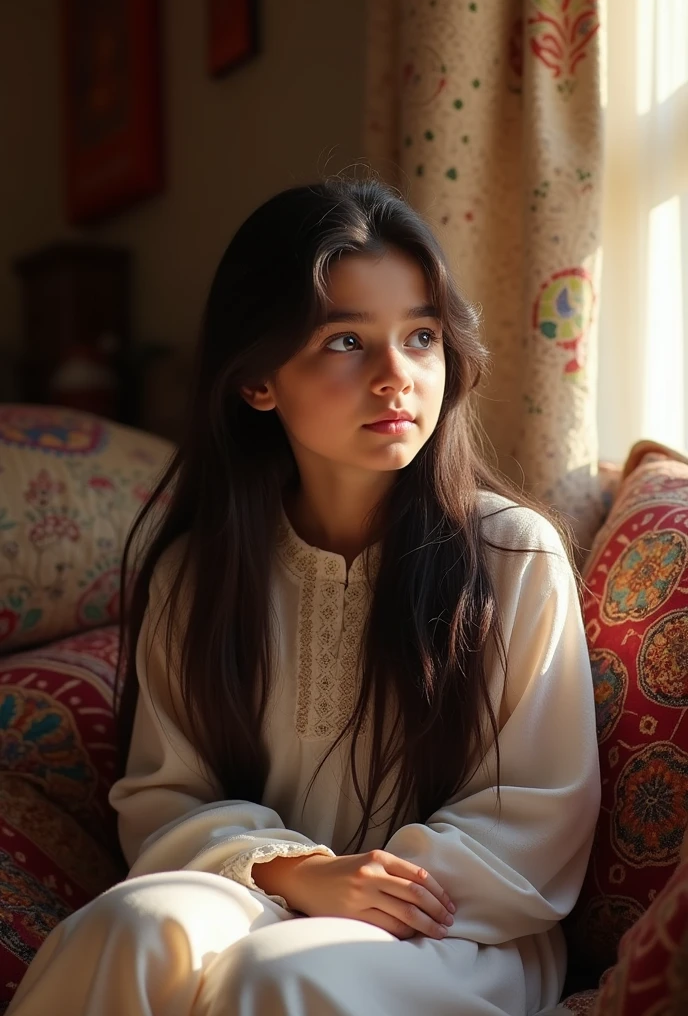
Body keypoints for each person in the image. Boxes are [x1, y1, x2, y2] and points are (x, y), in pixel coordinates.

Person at [7, 178, 600, 1016]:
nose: (398, 376)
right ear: (258, 381)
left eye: (421, 335)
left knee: (275, 976)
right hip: (262, 890)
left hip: (463, 933)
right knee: (134, 926)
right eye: (347, 341)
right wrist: (292, 873)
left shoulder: (511, 555)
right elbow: (163, 799)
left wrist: (375, 889)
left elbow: (538, 809)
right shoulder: (198, 576)